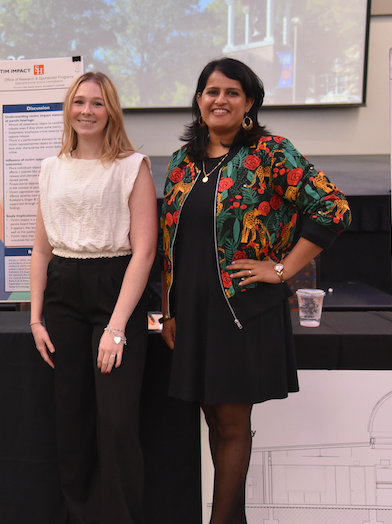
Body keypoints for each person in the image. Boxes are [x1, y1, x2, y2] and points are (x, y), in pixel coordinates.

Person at [159, 58, 351, 524]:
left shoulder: (270, 152)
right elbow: (170, 244)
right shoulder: (182, 162)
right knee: (213, 418)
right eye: (212, 91)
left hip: (240, 311)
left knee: (231, 422)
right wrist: (169, 310)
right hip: (193, 310)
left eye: (232, 92)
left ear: (249, 103)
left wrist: (282, 269)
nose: (220, 100)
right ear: (199, 100)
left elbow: (333, 207)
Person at [29, 72, 157, 524]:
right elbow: (41, 249)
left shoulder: (132, 166)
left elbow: (145, 252)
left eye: (97, 103)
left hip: (115, 293)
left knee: (117, 425)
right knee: (74, 423)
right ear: (68, 108)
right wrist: (36, 319)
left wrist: (116, 328)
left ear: (111, 111)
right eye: (79, 101)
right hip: (63, 295)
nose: (86, 110)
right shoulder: (50, 168)